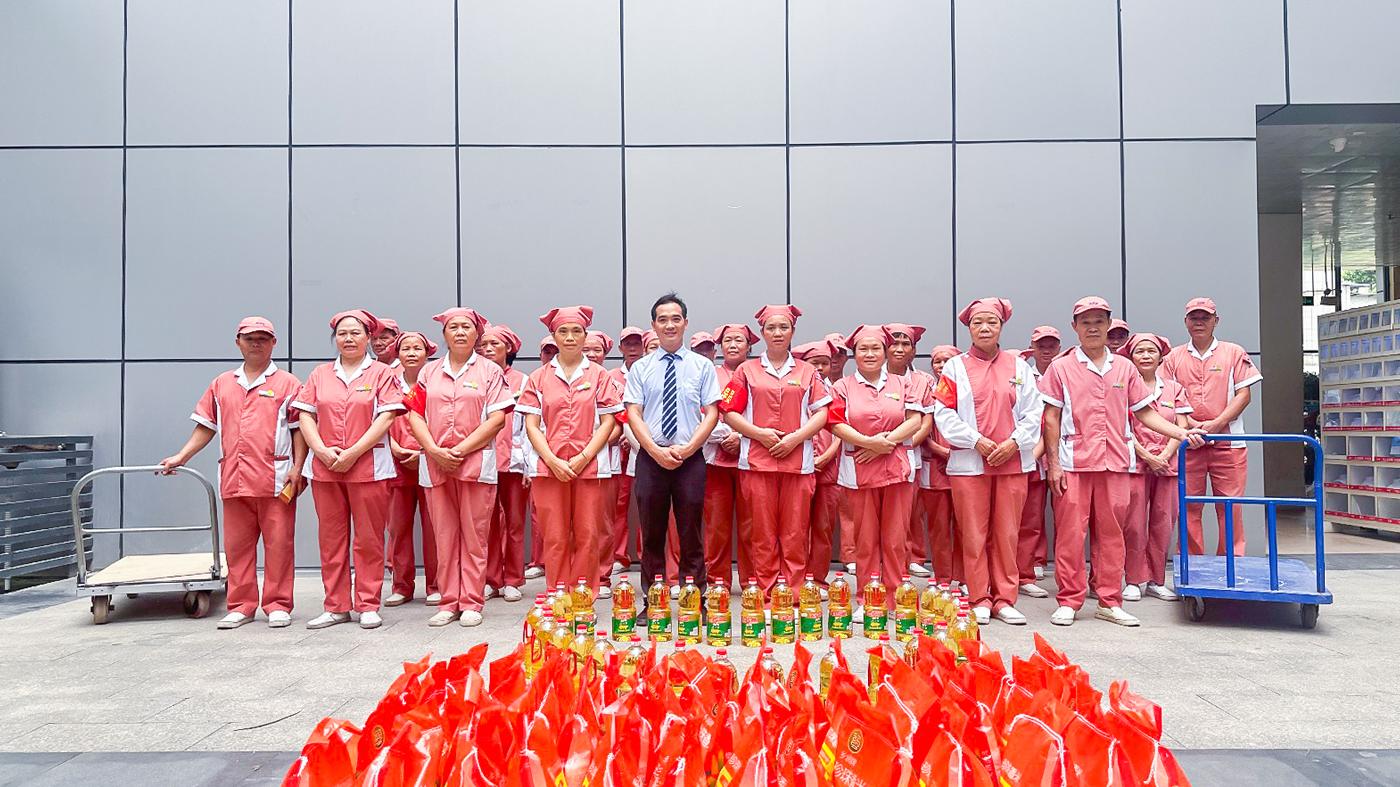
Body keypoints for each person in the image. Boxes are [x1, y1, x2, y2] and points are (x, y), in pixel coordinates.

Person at [1038, 297, 1205, 627]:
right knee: (1071, 534)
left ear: (1108, 325)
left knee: (1112, 535)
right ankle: (1069, 600)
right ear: (1075, 327)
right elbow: (1051, 418)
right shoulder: (1061, 367)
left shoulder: (1125, 368)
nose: (1093, 328)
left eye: (1099, 321)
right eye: (1086, 322)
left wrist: (1181, 433)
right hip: (1074, 463)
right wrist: (1053, 463)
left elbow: (1144, 413)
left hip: (1116, 463)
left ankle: (1109, 601)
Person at [159, 317, 305, 629]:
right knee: (238, 548)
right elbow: (206, 426)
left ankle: (278, 604)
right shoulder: (222, 383)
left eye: (263, 338)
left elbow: (299, 430)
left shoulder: (288, 383)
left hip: (276, 478)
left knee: (280, 545)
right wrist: (181, 456)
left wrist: (298, 467)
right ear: (238, 342)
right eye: (250, 338)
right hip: (234, 478)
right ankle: (241, 605)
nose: (256, 344)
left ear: (274, 343)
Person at [931, 298, 1041, 626]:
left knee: (1007, 533)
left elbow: (1034, 412)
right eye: (977, 322)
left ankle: (1005, 599)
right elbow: (943, 413)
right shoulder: (954, 368)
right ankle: (979, 597)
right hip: (969, 464)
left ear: (1001, 327)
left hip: (1012, 463)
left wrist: (1014, 443)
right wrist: (975, 440)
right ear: (969, 328)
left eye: (991, 322)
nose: (984, 328)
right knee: (973, 533)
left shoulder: (1020, 367)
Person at [293, 309, 405, 630]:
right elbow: (305, 415)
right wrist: (321, 450)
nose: (349, 338)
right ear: (335, 339)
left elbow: (386, 417)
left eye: (356, 333)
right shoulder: (320, 374)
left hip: (368, 467)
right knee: (331, 539)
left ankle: (368, 604)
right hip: (326, 468)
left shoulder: (381, 373)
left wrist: (354, 452)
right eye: (342, 333)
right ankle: (336, 605)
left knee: (368, 539)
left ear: (368, 337)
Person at [403, 307, 513, 627]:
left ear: (476, 334)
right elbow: (414, 415)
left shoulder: (490, 372)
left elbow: (497, 419)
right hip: (436, 463)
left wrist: (461, 449)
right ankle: (448, 601)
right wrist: (433, 450)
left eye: (466, 327)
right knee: (444, 535)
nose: (460, 332)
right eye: (454, 327)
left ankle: (472, 601)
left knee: (475, 535)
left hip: (476, 464)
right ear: (445, 334)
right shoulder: (428, 373)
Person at [718, 304, 830, 593]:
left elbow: (822, 412)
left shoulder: (808, 371)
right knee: (762, 533)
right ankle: (766, 594)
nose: (778, 333)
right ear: (763, 332)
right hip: (757, 463)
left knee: (795, 533)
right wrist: (759, 435)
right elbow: (727, 410)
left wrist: (795, 438)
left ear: (793, 331)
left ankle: (792, 594)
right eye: (771, 328)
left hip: (798, 463)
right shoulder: (745, 370)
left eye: (783, 327)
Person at [624, 293, 721, 603]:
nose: (669, 325)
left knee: (691, 532)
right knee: (651, 534)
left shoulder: (702, 366)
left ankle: (695, 599)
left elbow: (712, 412)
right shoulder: (640, 368)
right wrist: (654, 450)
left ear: (685, 323)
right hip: (651, 458)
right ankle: (653, 601)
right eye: (663, 319)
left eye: (675, 319)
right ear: (653, 325)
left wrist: (690, 448)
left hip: (690, 459)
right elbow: (633, 413)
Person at [517, 306, 623, 594]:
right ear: (554, 337)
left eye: (577, 331)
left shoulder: (599, 375)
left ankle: (583, 597)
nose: (570, 337)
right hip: (548, 468)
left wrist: (584, 456)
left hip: (590, 467)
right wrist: (552, 460)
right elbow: (531, 425)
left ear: (585, 335)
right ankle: (558, 594)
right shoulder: (538, 377)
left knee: (588, 534)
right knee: (554, 535)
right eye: (563, 331)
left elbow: (608, 422)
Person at [828, 326, 923, 610]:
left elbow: (915, 420)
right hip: (859, 468)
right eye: (863, 349)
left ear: (885, 352)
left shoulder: (903, 384)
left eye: (875, 349)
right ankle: (868, 600)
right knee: (866, 539)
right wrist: (868, 443)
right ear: (854, 354)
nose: (869, 354)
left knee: (896, 539)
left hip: (897, 468)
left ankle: (895, 598)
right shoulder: (842, 386)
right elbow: (835, 423)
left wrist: (885, 444)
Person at [1162, 297, 1261, 556]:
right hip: (1188, 443)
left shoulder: (1234, 352)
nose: (1199, 322)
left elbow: (1244, 395)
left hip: (1229, 445)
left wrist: (1218, 424)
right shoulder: (1173, 358)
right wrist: (1192, 427)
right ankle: (1192, 565)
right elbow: (1167, 399)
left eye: (1205, 317)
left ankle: (1231, 563)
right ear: (1185, 322)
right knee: (1188, 507)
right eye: (1194, 317)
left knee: (1230, 507)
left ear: (1216, 321)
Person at [1121, 332, 1191, 602]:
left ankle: (1156, 580)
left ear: (1161, 356)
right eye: (1140, 351)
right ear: (1131, 357)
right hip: (1136, 464)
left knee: (1163, 522)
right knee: (1134, 524)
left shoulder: (1174, 388)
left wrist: (1164, 455)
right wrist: (1147, 456)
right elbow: (1122, 427)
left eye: (1151, 351)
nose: (1146, 356)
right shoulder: (1124, 386)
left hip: (1167, 466)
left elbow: (1182, 426)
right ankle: (1133, 579)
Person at [382, 330, 440, 607]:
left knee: (434, 527)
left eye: (418, 348)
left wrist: (425, 451)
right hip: (397, 463)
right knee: (398, 527)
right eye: (406, 348)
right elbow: (377, 418)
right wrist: (394, 446)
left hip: (430, 460)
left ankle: (436, 585)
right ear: (398, 354)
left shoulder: (435, 381)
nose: (412, 353)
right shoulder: (388, 382)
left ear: (427, 353)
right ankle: (401, 586)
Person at [704, 323, 760, 588]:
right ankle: (718, 580)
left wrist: (742, 436)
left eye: (739, 340)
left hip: (752, 459)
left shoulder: (758, 374)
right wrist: (726, 436)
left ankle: (752, 580)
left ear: (749, 346)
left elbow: (767, 414)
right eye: (728, 340)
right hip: (716, 460)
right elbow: (701, 413)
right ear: (720, 346)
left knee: (752, 524)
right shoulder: (710, 374)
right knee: (716, 524)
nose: (733, 345)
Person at [478, 323, 528, 603]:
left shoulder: (523, 381)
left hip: (514, 462)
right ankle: (491, 578)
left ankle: (513, 578)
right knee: (486, 523)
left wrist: (529, 464)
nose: (487, 349)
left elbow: (532, 425)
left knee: (515, 521)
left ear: (508, 348)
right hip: (484, 458)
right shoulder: (477, 377)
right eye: (483, 345)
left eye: (494, 344)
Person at [885, 323, 935, 578]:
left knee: (909, 512)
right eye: (894, 343)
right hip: (873, 456)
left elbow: (925, 422)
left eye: (906, 344)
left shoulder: (923, 381)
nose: (899, 349)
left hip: (908, 455)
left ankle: (912, 557)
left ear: (914, 351)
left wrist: (898, 444)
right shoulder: (872, 375)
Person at [792, 339, 841, 591]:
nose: (820, 368)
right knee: (796, 527)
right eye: (814, 363)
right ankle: (797, 579)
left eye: (825, 363)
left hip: (829, 469)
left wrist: (826, 457)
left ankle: (818, 579)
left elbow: (840, 430)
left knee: (823, 527)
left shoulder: (837, 391)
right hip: (800, 465)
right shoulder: (796, 388)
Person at [1016, 325, 1060, 598]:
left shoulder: (1063, 373)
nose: (1046, 350)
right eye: (1040, 345)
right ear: (1031, 348)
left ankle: (1027, 569)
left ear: (1058, 347)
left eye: (1051, 345)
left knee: (1033, 518)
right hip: (1014, 455)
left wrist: (1037, 455)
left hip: (1045, 458)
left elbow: (1050, 422)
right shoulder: (1022, 374)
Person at [918, 344, 962, 585]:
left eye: (948, 360)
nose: (942, 365)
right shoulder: (928, 392)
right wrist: (942, 451)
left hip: (964, 466)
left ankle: (965, 578)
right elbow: (921, 432)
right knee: (939, 527)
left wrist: (956, 454)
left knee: (966, 527)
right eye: (937, 361)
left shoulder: (967, 390)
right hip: (934, 469)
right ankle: (943, 578)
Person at [585, 329, 625, 596]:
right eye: (586, 349)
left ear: (605, 353)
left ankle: (601, 577)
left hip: (604, 462)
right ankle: (577, 578)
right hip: (568, 462)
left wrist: (592, 448)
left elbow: (619, 425)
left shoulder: (613, 384)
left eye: (596, 350)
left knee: (602, 523)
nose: (590, 354)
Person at [607, 326, 646, 575]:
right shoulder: (611, 376)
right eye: (627, 344)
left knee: (648, 505)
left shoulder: (649, 371)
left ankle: (646, 556)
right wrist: (622, 431)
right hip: (616, 448)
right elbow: (610, 410)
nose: (632, 348)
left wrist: (633, 436)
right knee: (617, 505)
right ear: (620, 348)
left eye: (637, 343)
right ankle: (619, 556)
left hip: (642, 446)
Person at [523, 335, 560, 581]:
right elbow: (528, 428)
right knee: (543, 518)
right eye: (547, 352)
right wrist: (529, 463)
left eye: (555, 351)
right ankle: (542, 563)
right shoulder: (536, 379)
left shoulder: (593, 377)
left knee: (583, 523)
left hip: (579, 460)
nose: (552, 356)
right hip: (542, 459)